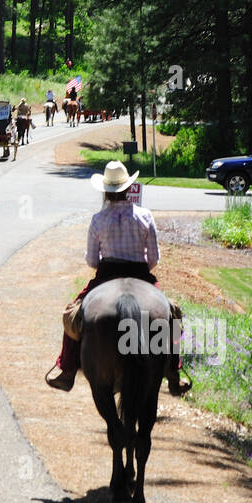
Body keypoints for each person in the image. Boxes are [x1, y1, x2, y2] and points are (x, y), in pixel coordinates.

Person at [45, 161, 188, 395]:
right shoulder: (144, 215)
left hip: (106, 275)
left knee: (73, 315)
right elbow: (154, 258)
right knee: (171, 316)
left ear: (105, 191)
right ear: (127, 188)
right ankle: (173, 372)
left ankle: (67, 371)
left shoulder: (98, 219)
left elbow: (92, 261)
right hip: (141, 274)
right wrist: (140, 268)